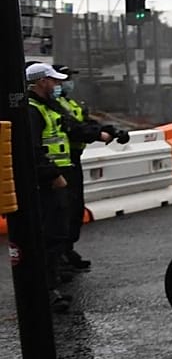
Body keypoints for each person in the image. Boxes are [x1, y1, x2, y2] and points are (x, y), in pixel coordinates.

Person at [50, 66, 123, 271]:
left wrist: (109, 130)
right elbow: (76, 129)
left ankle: (67, 249)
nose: (66, 83)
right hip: (61, 163)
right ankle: (59, 256)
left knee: (74, 208)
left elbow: (86, 122)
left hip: (72, 161)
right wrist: (99, 135)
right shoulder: (53, 105)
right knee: (62, 211)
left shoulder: (70, 103)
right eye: (62, 79)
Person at [18, 63, 75, 312]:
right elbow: (32, 149)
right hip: (45, 182)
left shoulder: (45, 107)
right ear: (42, 82)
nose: (58, 86)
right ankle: (45, 292)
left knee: (56, 233)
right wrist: (52, 175)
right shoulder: (32, 111)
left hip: (55, 175)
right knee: (48, 236)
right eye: (54, 81)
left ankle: (49, 285)